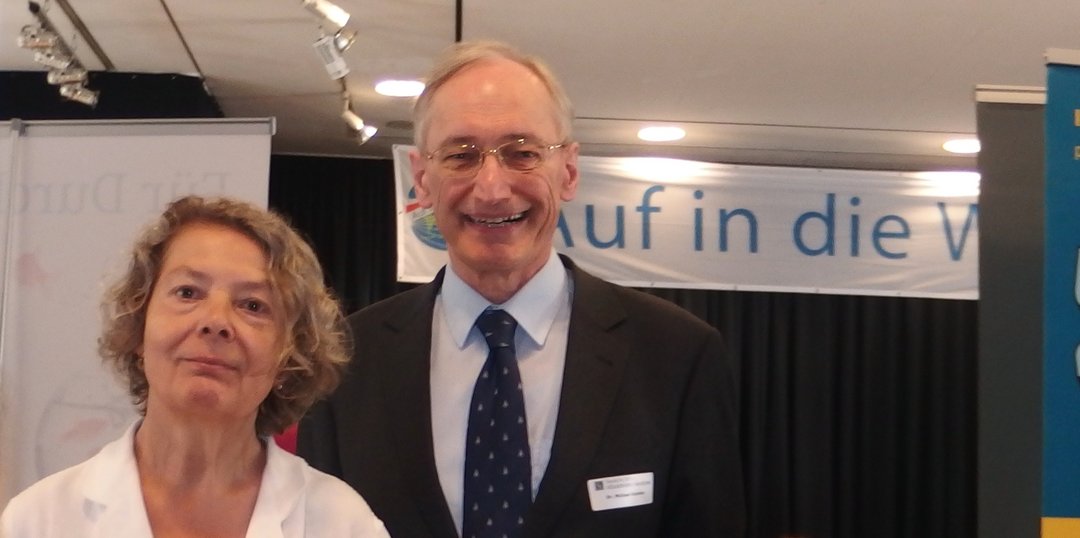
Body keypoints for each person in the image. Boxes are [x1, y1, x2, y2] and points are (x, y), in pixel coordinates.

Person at [298, 40, 745, 537]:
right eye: (462, 156)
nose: (492, 188)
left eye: (522, 153)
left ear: (569, 171)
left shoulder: (676, 356)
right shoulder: (345, 362)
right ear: (422, 179)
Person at [0, 195, 389, 537]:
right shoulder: (39, 521)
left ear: (289, 354)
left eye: (252, 305)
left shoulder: (343, 523)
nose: (215, 321)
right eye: (187, 292)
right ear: (138, 326)